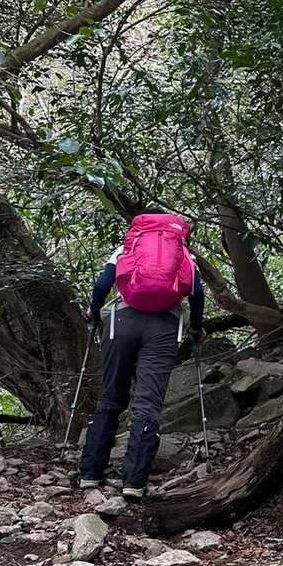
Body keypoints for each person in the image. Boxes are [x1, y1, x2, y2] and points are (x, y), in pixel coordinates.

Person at [79, 211, 205, 498]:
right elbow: (197, 294)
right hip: (164, 327)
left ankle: (90, 473)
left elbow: (101, 286)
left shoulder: (127, 247)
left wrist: (94, 312)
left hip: (121, 323)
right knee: (148, 403)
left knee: (110, 397)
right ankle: (134, 482)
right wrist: (196, 329)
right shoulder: (184, 254)